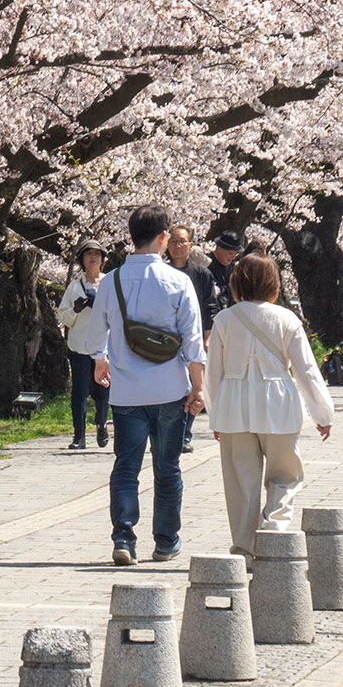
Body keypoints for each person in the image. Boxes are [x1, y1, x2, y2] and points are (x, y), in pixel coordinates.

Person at [88, 205, 207, 566]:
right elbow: (192, 340)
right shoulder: (178, 281)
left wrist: (100, 361)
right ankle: (166, 540)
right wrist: (198, 387)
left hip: (126, 391)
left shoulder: (111, 281)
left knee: (126, 466)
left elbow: (96, 335)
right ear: (162, 238)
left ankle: (124, 537)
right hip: (170, 388)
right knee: (167, 467)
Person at [208, 252, 334, 562]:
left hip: (235, 408)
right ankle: (274, 530)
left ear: (237, 282)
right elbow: (306, 371)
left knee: (241, 483)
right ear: (273, 283)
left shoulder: (224, 319)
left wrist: (216, 416)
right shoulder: (287, 319)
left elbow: (214, 375)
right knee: (285, 474)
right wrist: (322, 413)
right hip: (278, 403)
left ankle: (245, 549)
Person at [57, 239, 111, 450]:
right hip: (79, 346)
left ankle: (102, 425)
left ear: (103, 260)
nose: (93, 257)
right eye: (88, 254)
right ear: (82, 259)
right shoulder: (74, 286)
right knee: (79, 392)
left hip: (104, 348)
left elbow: (118, 315)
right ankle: (79, 436)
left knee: (102, 391)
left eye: (97, 254)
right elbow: (64, 317)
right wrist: (77, 309)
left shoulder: (109, 283)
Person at [165, 224, 214, 453]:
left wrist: (207, 336)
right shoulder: (161, 273)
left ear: (191, 245)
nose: (177, 246)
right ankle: (172, 431)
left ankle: (186, 434)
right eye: (173, 241)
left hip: (193, 338)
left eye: (182, 241)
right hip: (167, 338)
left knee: (195, 386)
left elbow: (210, 307)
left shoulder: (201, 274)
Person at [206, 231, 240, 328]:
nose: (232, 258)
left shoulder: (232, 268)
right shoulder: (206, 264)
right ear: (220, 249)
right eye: (230, 253)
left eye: (235, 254)